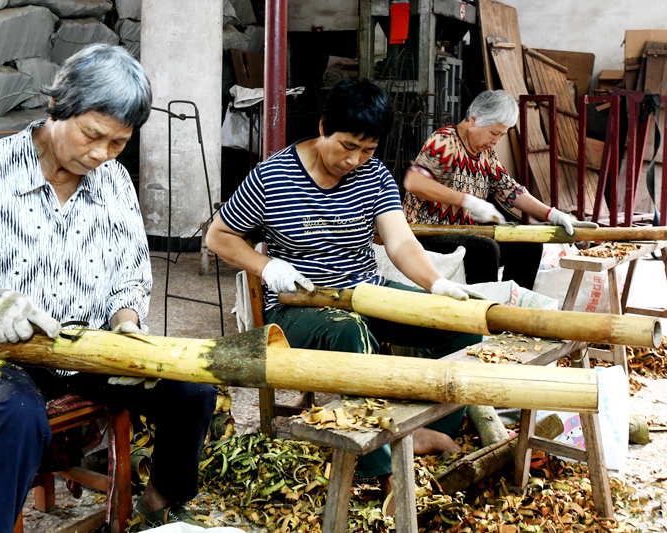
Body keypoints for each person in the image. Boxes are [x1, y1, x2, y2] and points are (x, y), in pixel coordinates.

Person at [0, 44, 215, 533]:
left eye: (118, 143)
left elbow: (129, 272)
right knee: (16, 416)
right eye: (92, 135)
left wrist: (126, 325)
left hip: (85, 350)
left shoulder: (114, 181)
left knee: (192, 388)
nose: (101, 155)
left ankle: (157, 503)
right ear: (58, 107)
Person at [206, 79, 484, 514]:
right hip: (301, 306)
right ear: (322, 128)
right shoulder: (272, 176)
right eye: (347, 146)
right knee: (350, 334)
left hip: (365, 293)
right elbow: (219, 236)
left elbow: (399, 242)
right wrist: (267, 267)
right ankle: (384, 471)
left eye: (368, 150)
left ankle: (420, 430)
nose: (354, 160)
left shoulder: (373, 175)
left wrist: (436, 285)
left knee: (456, 322)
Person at [403, 89, 597, 289]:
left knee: (528, 243)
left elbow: (510, 190)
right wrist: (467, 201)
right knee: (485, 248)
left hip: (464, 232)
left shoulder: (486, 153)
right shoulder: (446, 141)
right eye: (494, 133)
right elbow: (414, 182)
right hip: (428, 234)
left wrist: (552, 214)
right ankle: (486, 311)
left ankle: (512, 309)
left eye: (501, 135)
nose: (496, 141)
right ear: (473, 120)